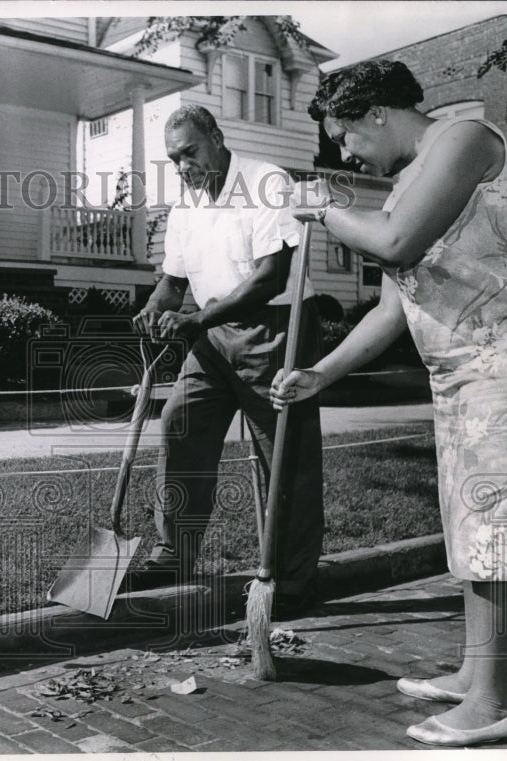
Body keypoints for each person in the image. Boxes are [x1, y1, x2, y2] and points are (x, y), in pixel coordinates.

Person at [271, 60, 507, 747]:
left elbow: (393, 241)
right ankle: (479, 679)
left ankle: (494, 704)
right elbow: (395, 306)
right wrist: (320, 373)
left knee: (499, 532)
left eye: (347, 137)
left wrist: (319, 204)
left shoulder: (464, 138)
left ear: (377, 114)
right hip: (468, 370)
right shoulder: (409, 181)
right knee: (478, 530)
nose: (347, 154)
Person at [122, 105, 325, 620]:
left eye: (190, 152)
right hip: (213, 336)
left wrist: (197, 320)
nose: (183, 166)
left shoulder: (265, 181)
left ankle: (291, 579)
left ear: (216, 136)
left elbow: (271, 278)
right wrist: (155, 307)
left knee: (286, 456)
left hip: (276, 330)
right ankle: (174, 556)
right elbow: (175, 279)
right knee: (179, 422)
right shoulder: (186, 206)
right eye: (174, 159)